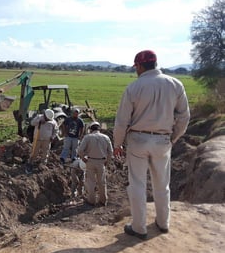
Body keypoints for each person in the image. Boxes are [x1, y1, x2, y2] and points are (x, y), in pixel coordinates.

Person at [113, 50, 190, 240]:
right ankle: (163, 223)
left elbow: (122, 121)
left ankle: (139, 228)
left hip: (138, 140)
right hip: (163, 140)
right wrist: (173, 138)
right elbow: (184, 117)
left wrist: (117, 143)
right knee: (162, 184)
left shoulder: (134, 87)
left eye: (136, 68)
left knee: (137, 184)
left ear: (139, 66)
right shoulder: (175, 84)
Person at [77, 121, 113, 206]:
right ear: (99, 128)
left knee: (90, 182)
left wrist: (83, 158)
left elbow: (80, 150)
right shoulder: (106, 137)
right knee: (102, 182)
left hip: (90, 161)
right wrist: (107, 162)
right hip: (101, 162)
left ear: (91, 129)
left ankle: (91, 200)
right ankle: (103, 200)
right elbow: (110, 151)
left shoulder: (87, 137)